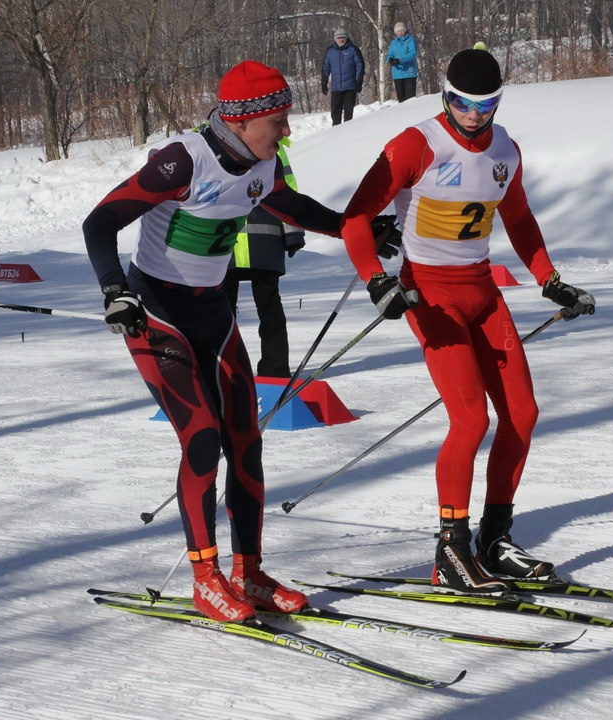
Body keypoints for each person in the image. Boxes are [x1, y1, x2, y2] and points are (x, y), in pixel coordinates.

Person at [82, 61, 396, 622]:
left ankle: (248, 573)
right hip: (156, 314)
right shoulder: (183, 160)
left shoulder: (262, 161)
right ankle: (206, 578)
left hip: (214, 313)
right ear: (242, 119)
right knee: (202, 439)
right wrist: (114, 291)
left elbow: (292, 207)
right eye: (278, 119)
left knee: (246, 439)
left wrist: (361, 227)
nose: (287, 129)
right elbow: (99, 223)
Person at [340, 49, 596, 594]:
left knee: (522, 415)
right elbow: (356, 217)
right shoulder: (417, 144)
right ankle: (449, 551)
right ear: (444, 95)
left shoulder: (505, 149)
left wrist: (549, 278)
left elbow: (520, 217)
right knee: (470, 420)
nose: (475, 115)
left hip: (481, 292)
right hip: (430, 294)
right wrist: (375, 279)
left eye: (486, 105)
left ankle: (494, 541)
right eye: (463, 103)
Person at [222, 137, 303, 379]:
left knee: (267, 311)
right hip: (234, 245)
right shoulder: (207, 142)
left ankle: (273, 371)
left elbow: (288, 190)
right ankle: (227, 368)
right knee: (224, 314)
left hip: (252, 242)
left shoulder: (270, 144)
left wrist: (293, 231)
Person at [322, 28, 365, 125]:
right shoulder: (330, 51)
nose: (341, 40)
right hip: (336, 88)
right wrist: (324, 82)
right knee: (335, 114)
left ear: (346, 38)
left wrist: (358, 82)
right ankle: (335, 133)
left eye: (343, 37)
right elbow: (325, 67)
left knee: (348, 114)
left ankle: (347, 134)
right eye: (339, 38)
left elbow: (360, 66)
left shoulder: (353, 49)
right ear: (335, 39)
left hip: (350, 87)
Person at [386, 21, 418, 103]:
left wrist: (399, 60)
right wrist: (390, 59)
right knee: (401, 100)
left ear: (405, 31)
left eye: (402, 30)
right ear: (395, 32)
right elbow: (390, 54)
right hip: (397, 74)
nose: (400, 33)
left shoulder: (410, 40)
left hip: (409, 73)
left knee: (410, 99)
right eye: (398, 31)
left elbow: (412, 54)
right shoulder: (393, 43)